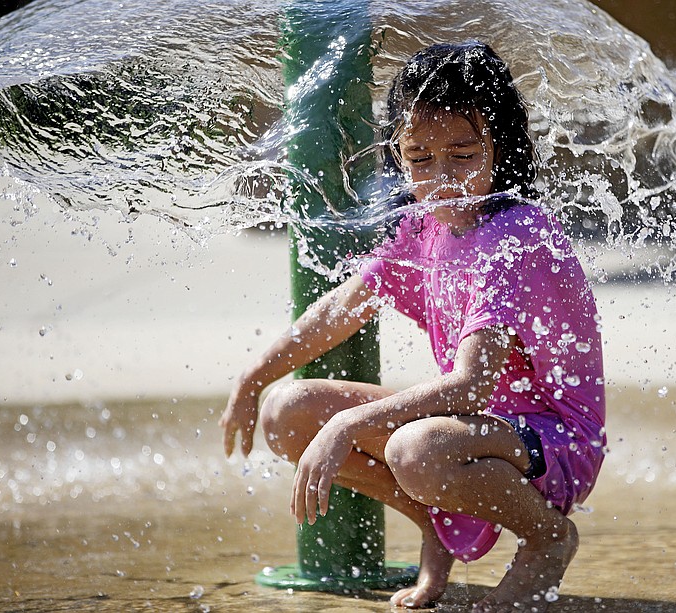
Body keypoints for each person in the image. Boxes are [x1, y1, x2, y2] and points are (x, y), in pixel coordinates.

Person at [219, 40, 606, 612]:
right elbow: (339, 309)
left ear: (501, 149)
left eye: (462, 154)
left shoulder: (514, 237)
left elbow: (472, 385)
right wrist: (253, 378)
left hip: (554, 440)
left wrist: (350, 423)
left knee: (415, 448)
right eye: (420, 159)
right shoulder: (421, 230)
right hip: (474, 429)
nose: (441, 177)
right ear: (398, 158)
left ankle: (547, 538)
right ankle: (436, 525)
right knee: (288, 412)